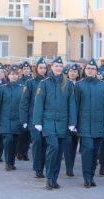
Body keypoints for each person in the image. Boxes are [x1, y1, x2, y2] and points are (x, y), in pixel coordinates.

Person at [33, 56, 76, 190]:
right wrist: (37, 121)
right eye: (56, 66)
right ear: (52, 67)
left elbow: (72, 104)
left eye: (60, 66)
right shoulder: (45, 83)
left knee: (59, 152)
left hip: (63, 123)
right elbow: (39, 103)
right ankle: (49, 177)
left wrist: (72, 122)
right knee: (54, 147)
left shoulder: (68, 84)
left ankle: (54, 179)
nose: (58, 68)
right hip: (49, 122)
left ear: (62, 68)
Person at [75, 58, 104, 188]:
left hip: (99, 124)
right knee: (87, 149)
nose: (90, 71)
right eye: (88, 69)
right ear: (85, 70)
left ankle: (91, 175)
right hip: (84, 123)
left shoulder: (103, 85)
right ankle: (86, 178)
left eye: (93, 69)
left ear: (96, 71)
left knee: (95, 152)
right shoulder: (79, 85)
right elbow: (76, 105)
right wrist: (74, 123)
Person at [19, 57, 48, 178]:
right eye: (40, 68)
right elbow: (24, 103)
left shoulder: (48, 81)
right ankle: (38, 169)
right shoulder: (30, 82)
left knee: (45, 144)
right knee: (37, 143)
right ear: (36, 69)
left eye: (44, 68)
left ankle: (43, 166)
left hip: (46, 119)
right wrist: (24, 120)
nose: (43, 70)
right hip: (33, 119)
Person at [0, 65, 23, 171]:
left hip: (18, 120)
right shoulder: (2, 88)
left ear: (18, 76)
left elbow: (25, 105)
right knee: (8, 140)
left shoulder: (22, 88)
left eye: (16, 74)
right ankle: (8, 163)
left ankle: (12, 162)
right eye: (12, 74)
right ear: (8, 76)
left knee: (15, 142)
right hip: (5, 119)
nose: (14, 76)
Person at [64, 64, 81, 177]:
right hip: (66, 119)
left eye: (75, 72)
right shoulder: (64, 84)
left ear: (78, 74)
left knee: (74, 144)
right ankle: (68, 167)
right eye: (71, 71)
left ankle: (71, 165)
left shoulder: (80, 85)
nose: (73, 73)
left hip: (78, 119)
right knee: (67, 143)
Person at [16, 61, 32, 161]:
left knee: (28, 135)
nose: (26, 70)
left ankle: (25, 152)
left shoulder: (32, 80)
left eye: (28, 69)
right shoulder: (19, 81)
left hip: (30, 111)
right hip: (20, 110)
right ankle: (19, 152)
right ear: (21, 70)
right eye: (24, 69)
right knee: (20, 134)